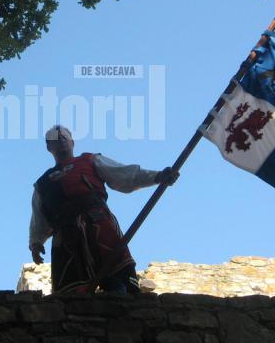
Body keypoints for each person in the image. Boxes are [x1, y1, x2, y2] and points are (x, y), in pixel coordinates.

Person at [29, 125, 179, 294]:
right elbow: (39, 217)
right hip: (67, 239)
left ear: (72, 142)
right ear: (49, 147)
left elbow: (124, 174)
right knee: (72, 298)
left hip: (99, 226)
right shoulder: (42, 184)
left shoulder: (90, 160)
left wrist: (157, 176)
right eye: (56, 139)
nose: (61, 141)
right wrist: (36, 243)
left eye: (64, 137)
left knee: (120, 283)